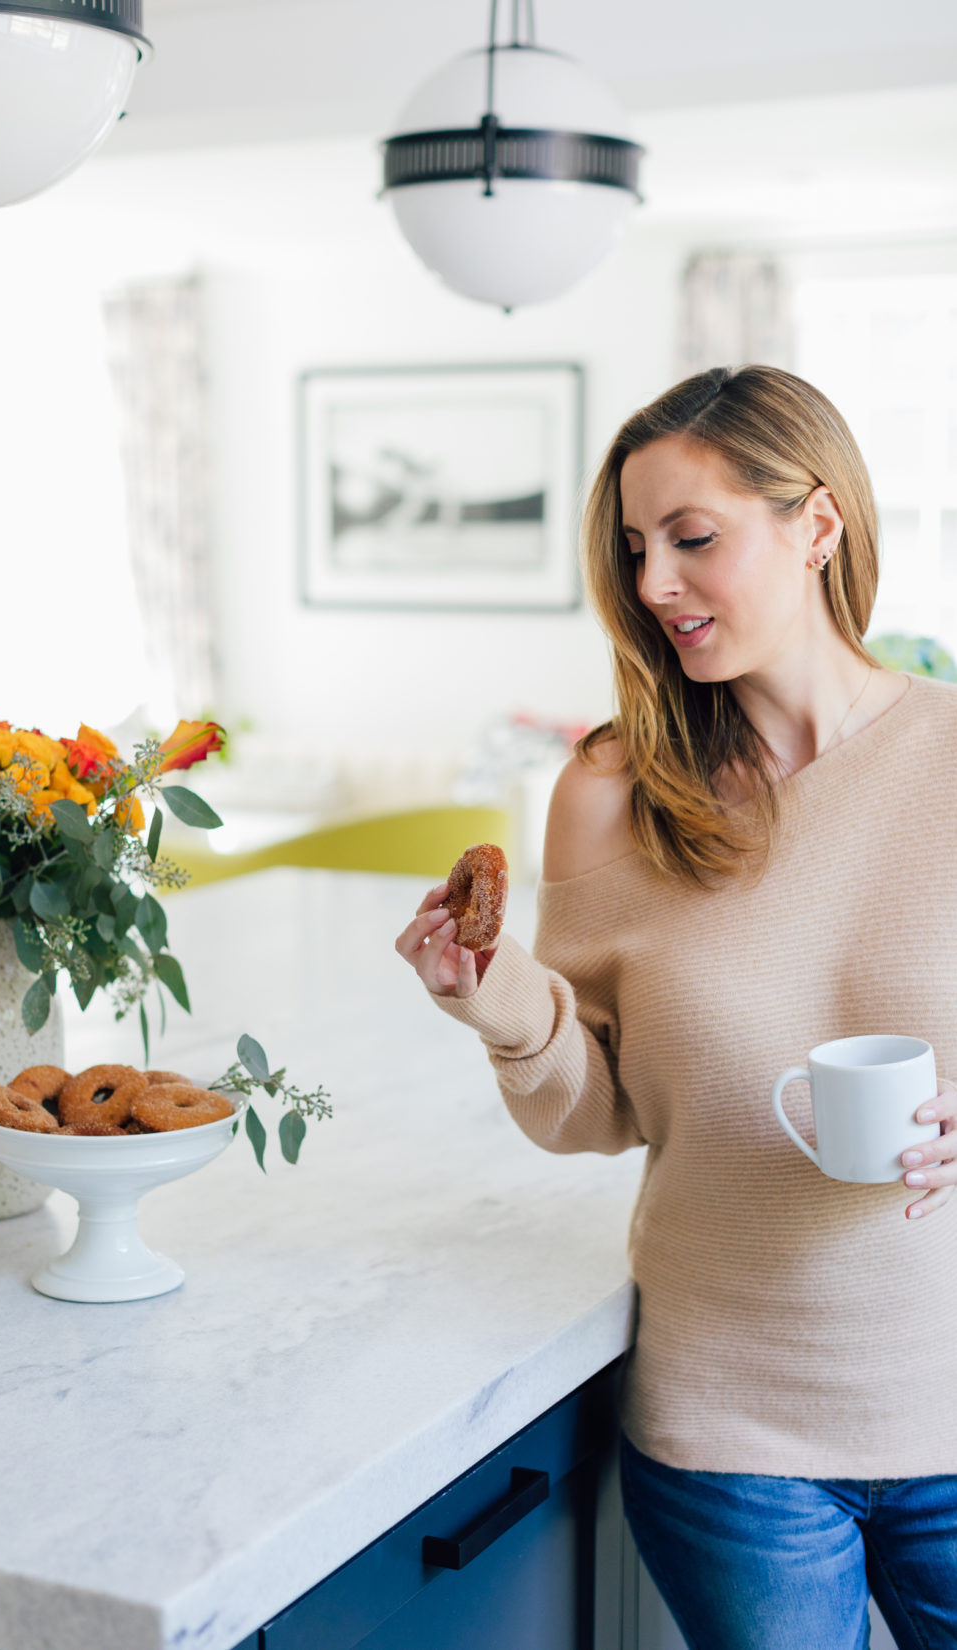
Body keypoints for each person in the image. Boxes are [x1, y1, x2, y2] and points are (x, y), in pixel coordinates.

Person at [395, 364, 957, 1650]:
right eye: (635, 549)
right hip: (734, 1439)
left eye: (691, 540)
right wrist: (498, 1008)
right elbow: (599, 1110)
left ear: (816, 524)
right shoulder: (608, 791)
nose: (652, 586)